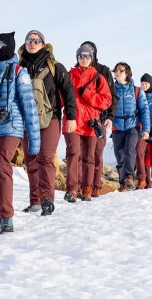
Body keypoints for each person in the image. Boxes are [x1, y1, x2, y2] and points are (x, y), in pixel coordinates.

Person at [0, 32, 40, 235]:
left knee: (2, 166)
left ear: (9, 46)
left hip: (11, 125)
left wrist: (34, 141)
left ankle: (7, 217)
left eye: (0, 44)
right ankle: (0, 218)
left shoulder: (19, 72)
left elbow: (29, 106)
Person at [18, 30, 77, 216]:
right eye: (29, 40)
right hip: (28, 119)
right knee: (30, 159)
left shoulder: (54, 66)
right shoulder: (19, 67)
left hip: (50, 118)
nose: (32, 43)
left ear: (43, 44)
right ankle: (34, 200)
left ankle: (47, 199)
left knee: (45, 157)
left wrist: (71, 117)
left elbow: (68, 91)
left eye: (36, 40)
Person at [63, 45, 112, 202]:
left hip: (90, 123)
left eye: (87, 56)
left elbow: (107, 101)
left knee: (89, 157)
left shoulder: (98, 78)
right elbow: (61, 97)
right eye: (81, 56)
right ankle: (71, 189)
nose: (84, 59)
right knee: (73, 153)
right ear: (77, 58)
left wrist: (88, 94)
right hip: (72, 121)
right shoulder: (69, 75)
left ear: (92, 58)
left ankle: (87, 189)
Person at [80, 41, 117, 197]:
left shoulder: (103, 71)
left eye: (89, 52)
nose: (85, 54)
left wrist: (110, 116)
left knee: (96, 153)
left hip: (100, 119)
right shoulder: (77, 71)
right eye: (82, 52)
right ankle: (83, 186)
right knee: (82, 154)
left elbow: (112, 96)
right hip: (81, 120)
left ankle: (96, 186)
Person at [111, 62, 150, 191]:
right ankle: (123, 183)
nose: (117, 73)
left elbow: (144, 110)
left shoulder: (136, 90)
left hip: (132, 125)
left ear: (127, 73)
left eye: (121, 71)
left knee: (129, 150)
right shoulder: (111, 89)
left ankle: (129, 176)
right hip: (116, 126)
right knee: (119, 154)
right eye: (116, 70)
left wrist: (146, 129)